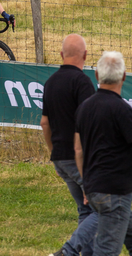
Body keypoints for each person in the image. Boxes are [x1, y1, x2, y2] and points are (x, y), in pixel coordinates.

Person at [41, 34, 97, 256]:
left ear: (61, 55)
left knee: (85, 212)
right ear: (85, 55)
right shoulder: (83, 83)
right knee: (102, 210)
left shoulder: (50, 82)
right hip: (79, 159)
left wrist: (54, 155)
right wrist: (88, 168)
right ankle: (68, 252)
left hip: (61, 158)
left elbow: (45, 123)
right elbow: (88, 127)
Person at [75, 51, 132, 256]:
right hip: (115, 192)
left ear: (97, 75)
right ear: (124, 76)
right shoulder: (123, 111)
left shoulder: (84, 108)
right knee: (106, 250)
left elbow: (78, 149)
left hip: (93, 188)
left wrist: (86, 182)